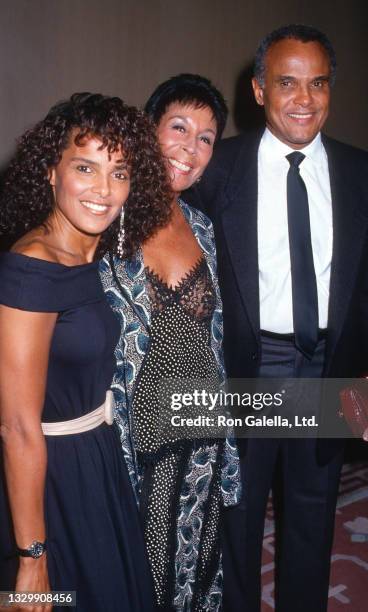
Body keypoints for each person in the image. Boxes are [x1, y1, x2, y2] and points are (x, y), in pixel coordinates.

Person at [186, 25, 368, 612]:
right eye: (287, 83)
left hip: (325, 368)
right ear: (259, 90)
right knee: (234, 523)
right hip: (246, 369)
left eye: (317, 84)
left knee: (313, 518)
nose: (303, 99)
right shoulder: (216, 170)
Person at [0, 92, 172, 611]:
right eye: (85, 167)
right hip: (50, 478)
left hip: (94, 456)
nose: (104, 189)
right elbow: (18, 426)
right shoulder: (33, 267)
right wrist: (32, 558)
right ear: (50, 172)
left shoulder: (85, 255)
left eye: (119, 172)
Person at [99, 74, 241, 611]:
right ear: (148, 128)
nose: (191, 147)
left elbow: (215, 340)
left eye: (206, 137)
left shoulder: (203, 227)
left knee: (197, 572)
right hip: (133, 440)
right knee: (137, 577)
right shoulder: (106, 212)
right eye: (179, 127)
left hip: (201, 432)